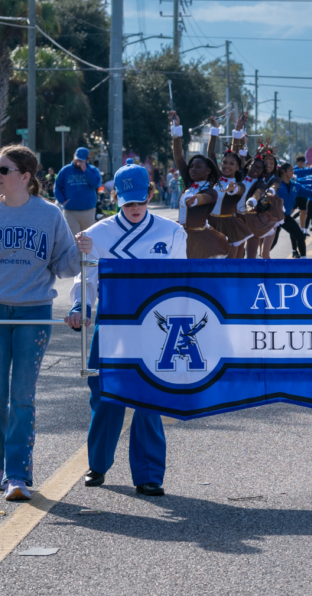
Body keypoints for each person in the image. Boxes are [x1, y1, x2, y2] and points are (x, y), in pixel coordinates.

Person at [0, 145, 81, 501]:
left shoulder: (50, 215)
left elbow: (65, 268)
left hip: (33, 312)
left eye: (3, 170)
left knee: (22, 396)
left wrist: (80, 251)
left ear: (25, 176)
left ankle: (18, 474)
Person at [68, 159, 187, 497]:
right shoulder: (95, 234)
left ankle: (149, 474)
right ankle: (98, 463)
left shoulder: (172, 232)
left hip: (158, 325)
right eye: (128, 201)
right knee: (105, 395)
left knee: (149, 396)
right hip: (114, 319)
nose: (135, 208)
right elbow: (86, 278)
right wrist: (81, 306)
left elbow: (182, 282)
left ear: (150, 194)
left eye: (141, 200)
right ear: (116, 197)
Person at [170, 111, 230, 259]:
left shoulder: (211, 191)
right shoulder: (190, 183)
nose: (193, 169)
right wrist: (176, 129)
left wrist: (195, 200)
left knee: (197, 272)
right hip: (181, 234)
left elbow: (204, 198)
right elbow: (178, 157)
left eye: (198, 167)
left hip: (199, 236)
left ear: (208, 170)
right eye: (191, 167)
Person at [207, 114, 254, 258]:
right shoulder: (215, 178)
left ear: (238, 167)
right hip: (210, 224)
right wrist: (215, 130)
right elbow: (210, 154)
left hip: (229, 227)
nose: (227, 166)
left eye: (231, 164)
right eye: (225, 162)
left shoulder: (240, 185)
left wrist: (233, 190)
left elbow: (238, 190)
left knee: (229, 265)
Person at [54, 146, 102, 235]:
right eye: (77, 160)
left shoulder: (92, 170)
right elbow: (57, 188)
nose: (79, 163)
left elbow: (96, 184)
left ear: (87, 159)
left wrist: (85, 170)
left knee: (88, 238)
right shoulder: (65, 170)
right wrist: (63, 201)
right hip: (70, 212)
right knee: (71, 239)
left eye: (81, 160)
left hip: (88, 211)